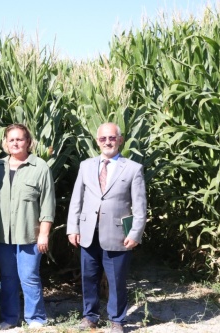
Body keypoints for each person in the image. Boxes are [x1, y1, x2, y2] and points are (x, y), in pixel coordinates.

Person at [67, 122, 147, 333]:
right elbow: (77, 199)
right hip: (88, 232)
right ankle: (90, 316)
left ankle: (117, 320)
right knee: (88, 277)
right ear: (97, 141)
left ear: (120, 140)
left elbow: (140, 206)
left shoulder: (133, 168)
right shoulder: (86, 165)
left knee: (117, 280)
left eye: (112, 138)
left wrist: (135, 233)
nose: (107, 142)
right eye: (103, 139)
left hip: (118, 234)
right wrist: (72, 228)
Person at [0, 124, 55, 330]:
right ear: (5, 143)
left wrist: (44, 234)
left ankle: (35, 317)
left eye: (20, 139)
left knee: (29, 276)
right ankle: (10, 318)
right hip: (2, 236)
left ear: (28, 142)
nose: (15, 143)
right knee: (8, 277)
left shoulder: (40, 167)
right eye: (11, 140)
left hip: (30, 235)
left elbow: (47, 203)